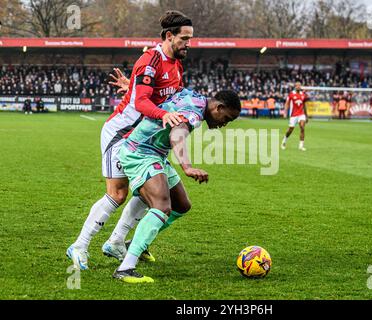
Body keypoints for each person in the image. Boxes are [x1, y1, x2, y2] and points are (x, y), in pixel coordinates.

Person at [67, 10, 194, 270]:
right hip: (122, 134)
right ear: (169, 36)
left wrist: (134, 89)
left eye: (190, 39)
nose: (188, 44)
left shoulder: (177, 64)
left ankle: (116, 242)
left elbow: (162, 95)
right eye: (184, 38)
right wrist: (160, 111)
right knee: (118, 193)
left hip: (148, 140)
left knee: (148, 186)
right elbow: (143, 102)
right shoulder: (150, 61)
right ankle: (79, 245)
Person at [112, 88, 241, 283]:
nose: (225, 124)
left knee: (181, 205)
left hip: (156, 153)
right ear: (218, 107)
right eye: (227, 118)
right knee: (162, 206)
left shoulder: (196, 97)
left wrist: (131, 86)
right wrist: (187, 167)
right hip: (141, 151)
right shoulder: (195, 113)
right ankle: (126, 268)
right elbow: (176, 134)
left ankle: (137, 244)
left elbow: (169, 90)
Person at [281, 82, 309, 151]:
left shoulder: (303, 94)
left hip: (301, 114)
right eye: (297, 85)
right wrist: (285, 112)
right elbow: (287, 104)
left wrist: (306, 115)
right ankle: (284, 141)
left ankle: (301, 146)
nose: (299, 86)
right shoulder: (291, 94)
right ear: (295, 86)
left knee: (302, 127)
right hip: (293, 115)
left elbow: (304, 105)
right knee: (290, 130)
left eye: (300, 85)